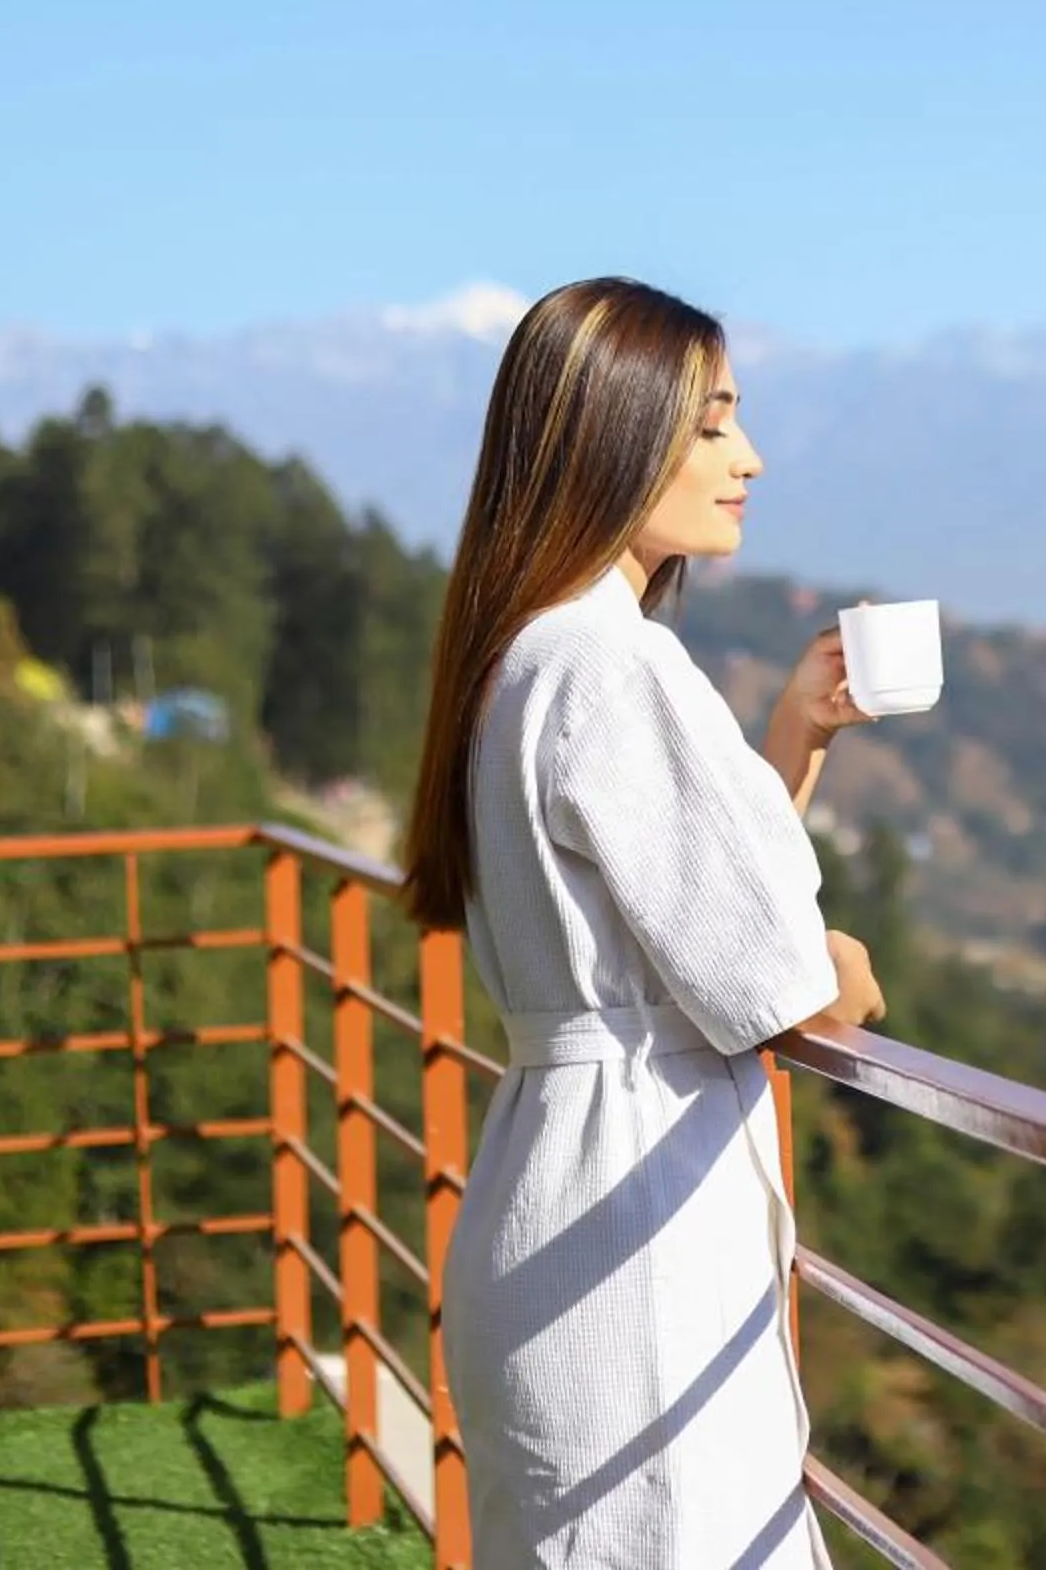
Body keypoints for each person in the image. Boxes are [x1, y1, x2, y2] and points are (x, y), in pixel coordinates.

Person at [399, 276, 888, 1568]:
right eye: (714, 424)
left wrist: (794, 740)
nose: (750, 458)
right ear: (616, 437)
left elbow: (662, 917)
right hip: (635, 1245)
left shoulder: (527, 650)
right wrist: (840, 963)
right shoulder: (615, 664)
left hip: (552, 1208)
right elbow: (792, 990)